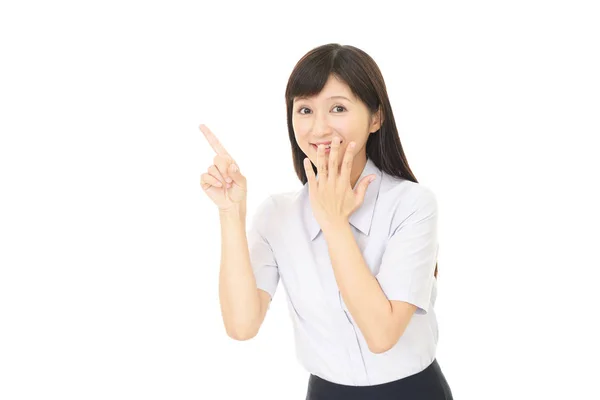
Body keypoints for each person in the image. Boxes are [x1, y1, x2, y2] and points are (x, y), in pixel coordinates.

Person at [200, 43, 453, 400]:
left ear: (376, 118)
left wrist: (334, 223)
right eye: (305, 109)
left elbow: (381, 335)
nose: (319, 128)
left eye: (338, 108)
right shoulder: (278, 214)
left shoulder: (412, 204)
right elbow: (242, 325)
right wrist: (230, 212)